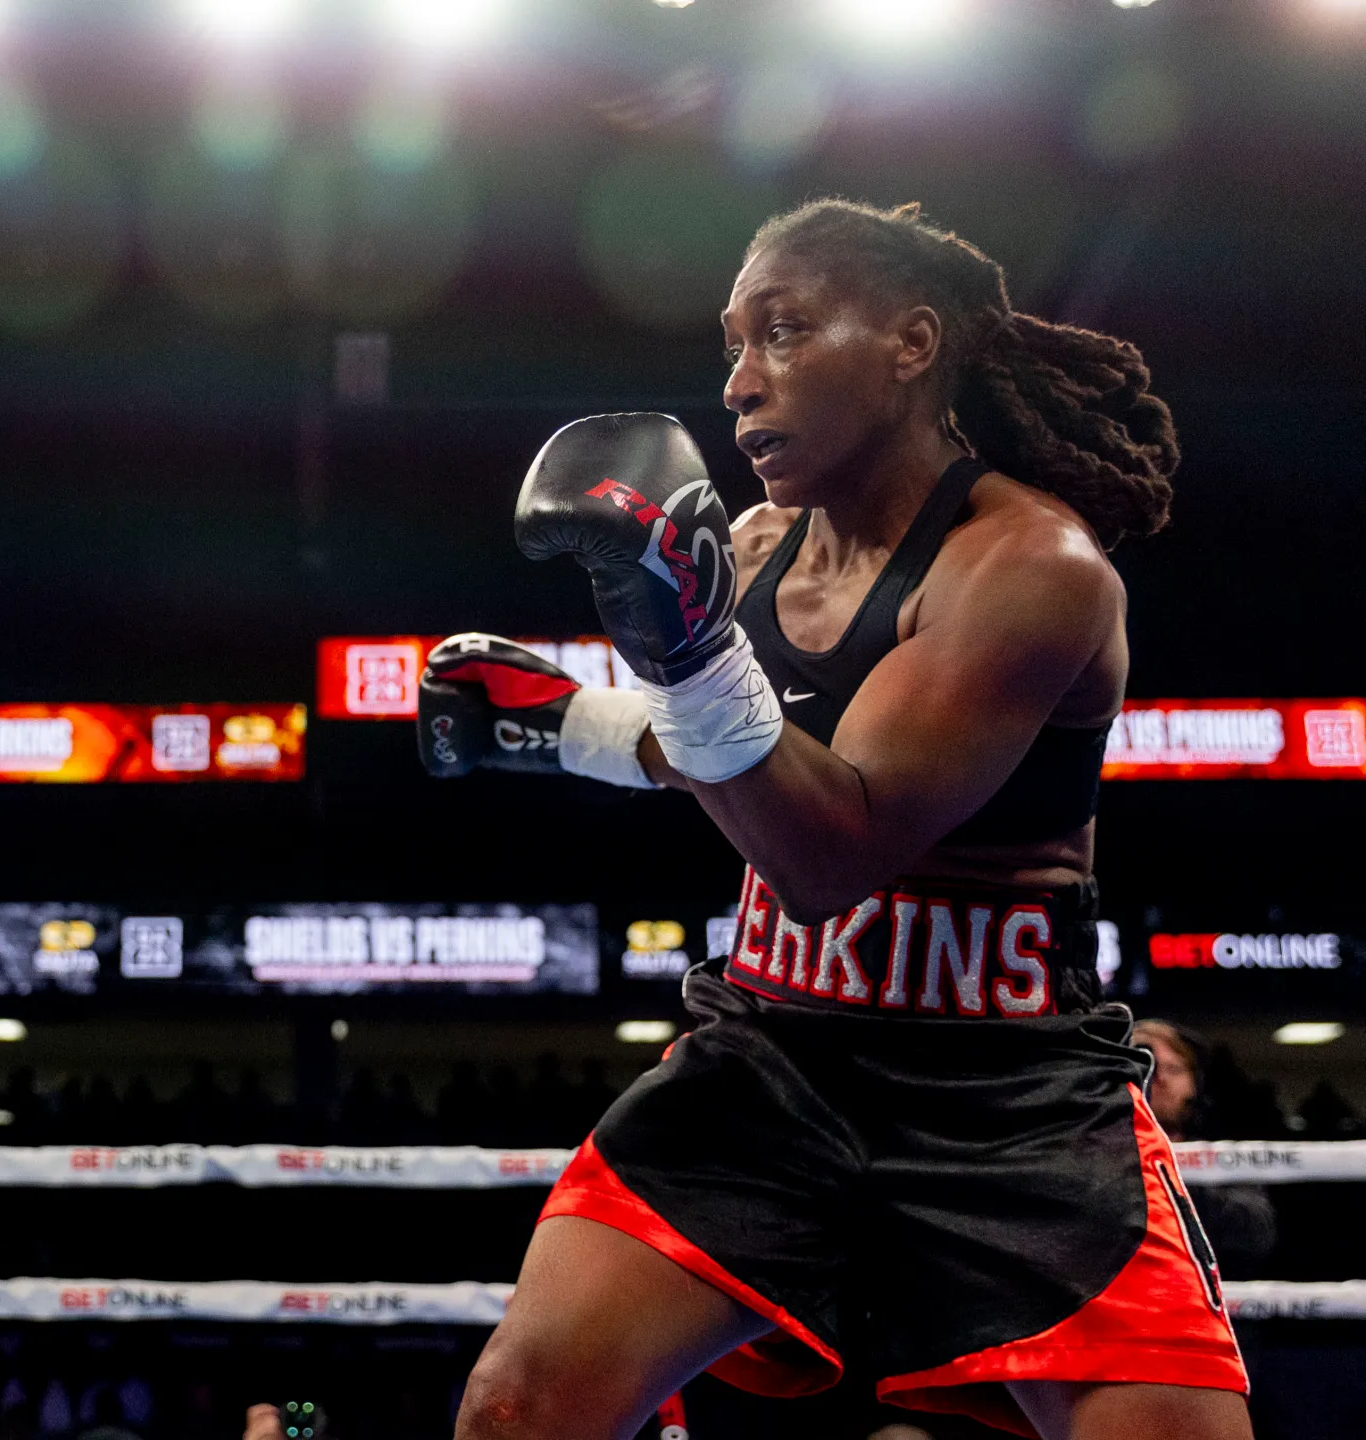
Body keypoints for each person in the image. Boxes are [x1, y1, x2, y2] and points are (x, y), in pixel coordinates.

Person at [420, 201, 1247, 1439]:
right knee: (517, 1407)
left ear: (912, 344)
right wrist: (573, 730)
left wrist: (686, 651)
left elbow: (830, 849)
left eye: (784, 334)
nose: (740, 384)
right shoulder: (752, 546)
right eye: (731, 347)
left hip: (1006, 1094)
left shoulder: (1031, 567)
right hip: (772, 1051)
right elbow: (746, 763)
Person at [1134, 1018, 1277, 1273]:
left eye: (1173, 1068)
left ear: (1194, 1083)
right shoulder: (1091, 1152)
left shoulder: (1221, 1153)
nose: (1160, 1079)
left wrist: (1178, 1183)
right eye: (1146, 1068)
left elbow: (1257, 1233)